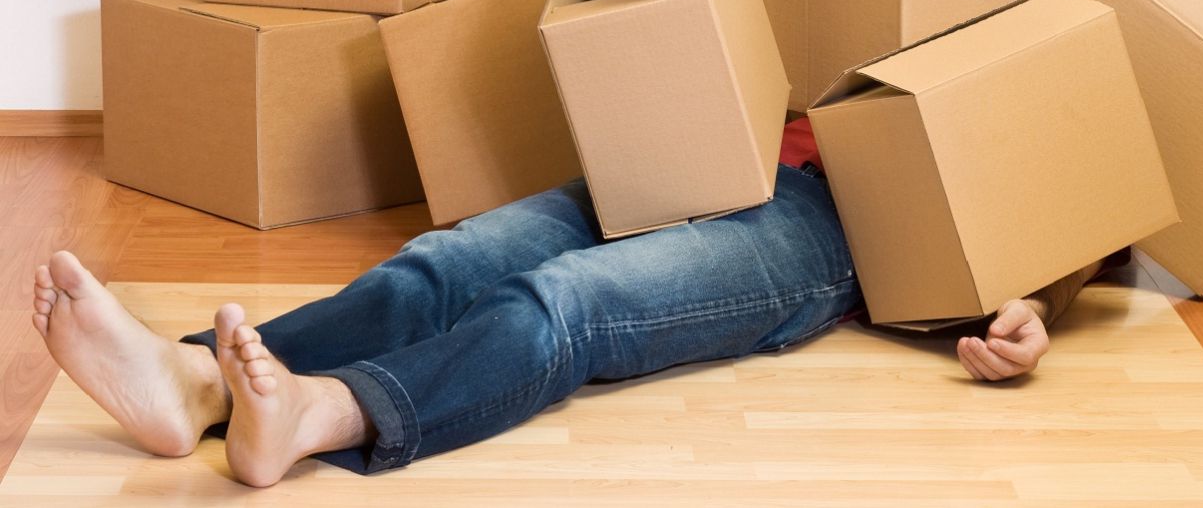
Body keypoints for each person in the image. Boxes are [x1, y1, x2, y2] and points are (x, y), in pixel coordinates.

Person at [30, 119, 1110, 487]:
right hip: (708, 152)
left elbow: (1082, 227)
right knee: (445, 262)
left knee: (565, 301)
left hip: (831, 230)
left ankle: (326, 412)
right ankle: (195, 380)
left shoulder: (1051, 97)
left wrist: (1033, 302)